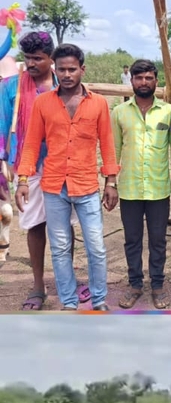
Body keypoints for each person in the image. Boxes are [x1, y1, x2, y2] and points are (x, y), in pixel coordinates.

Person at [14, 43, 117, 311]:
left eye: (72, 69)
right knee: (59, 248)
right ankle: (69, 303)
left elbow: (106, 144)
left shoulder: (99, 104)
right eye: (62, 69)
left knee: (96, 247)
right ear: (55, 70)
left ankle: (99, 300)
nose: (67, 74)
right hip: (53, 185)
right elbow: (32, 143)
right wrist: (23, 179)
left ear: (82, 69)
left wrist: (111, 181)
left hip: (86, 186)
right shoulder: (43, 103)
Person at [0, 31, 92, 311]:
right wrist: (5, 165)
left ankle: (68, 280)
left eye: (37, 59)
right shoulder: (11, 88)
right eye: (27, 58)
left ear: (50, 59)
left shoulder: (65, 85)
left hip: (64, 165)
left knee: (65, 227)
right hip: (29, 169)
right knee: (35, 225)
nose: (30, 64)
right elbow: (3, 128)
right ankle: (38, 286)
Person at [111, 59, 171, 309]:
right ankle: (135, 284)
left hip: (159, 189)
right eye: (139, 78)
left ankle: (158, 285)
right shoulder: (119, 112)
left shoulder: (169, 112)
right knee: (132, 240)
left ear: (156, 82)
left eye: (149, 78)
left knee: (158, 240)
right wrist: (111, 184)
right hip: (129, 189)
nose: (144, 82)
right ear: (132, 81)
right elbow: (114, 150)